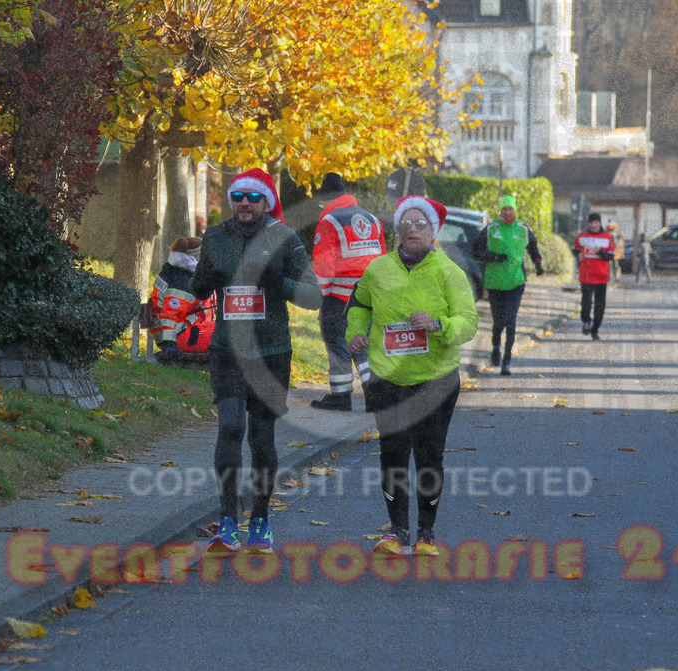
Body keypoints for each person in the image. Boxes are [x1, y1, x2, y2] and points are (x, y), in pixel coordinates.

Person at [188, 168, 322, 554]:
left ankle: (260, 519)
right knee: (230, 427)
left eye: (252, 196)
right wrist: (205, 278)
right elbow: (199, 289)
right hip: (227, 349)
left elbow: (313, 296)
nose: (244, 203)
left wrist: (278, 284)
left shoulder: (283, 237)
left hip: (271, 352)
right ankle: (227, 520)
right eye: (237, 196)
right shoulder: (215, 236)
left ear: (265, 202)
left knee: (261, 439)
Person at [346, 195, 478, 557]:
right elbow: (358, 305)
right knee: (392, 453)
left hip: (435, 378)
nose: (412, 230)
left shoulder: (449, 272)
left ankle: (426, 533)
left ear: (432, 232)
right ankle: (397, 531)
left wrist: (437, 324)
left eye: (420, 224)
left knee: (428, 456)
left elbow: (469, 322)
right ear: (397, 230)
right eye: (406, 224)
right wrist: (354, 333)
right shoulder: (377, 269)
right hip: (388, 377)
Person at [310, 172, 386, 411]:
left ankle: (341, 397)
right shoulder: (372, 219)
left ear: (324, 199)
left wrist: (315, 296)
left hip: (338, 297)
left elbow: (324, 267)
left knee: (337, 343)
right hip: (368, 297)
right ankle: (374, 395)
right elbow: (382, 259)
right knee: (363, 343)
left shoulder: (329, 222)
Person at [471, 194, 543, 376]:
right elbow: (475, 252)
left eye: (510, 208)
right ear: (500, 210)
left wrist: (538, 263)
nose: (507, 211)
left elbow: (533, 247)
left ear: (515, 210)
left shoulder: (522, 229)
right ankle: (495, 346)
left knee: (511, 321)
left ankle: (506, 361)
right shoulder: (491, 228)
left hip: (516, 282)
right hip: (495, 283)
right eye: (504, 209)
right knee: (498, 322)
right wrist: (494, 257)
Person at [149, 237, 214, 363]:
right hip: (178, 337)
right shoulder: (183, 280)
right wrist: (169, 345)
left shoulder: (179, 271)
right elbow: (169, 316)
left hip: (185, 331)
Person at [572, 213, 615, 340]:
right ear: (589, 223)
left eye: (596, 222)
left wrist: (600, 252)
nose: (594, 225)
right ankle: (586, 321)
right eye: (592, 222)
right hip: (586, 276)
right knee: (586, 302)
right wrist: (578, 254)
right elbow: (575, 249)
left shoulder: (607, 237)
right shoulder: (582, 236)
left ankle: (595, 329)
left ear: (600, 223)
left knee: (600, 305)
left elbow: (611, 256)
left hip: (601, 277)